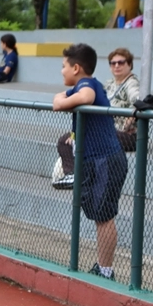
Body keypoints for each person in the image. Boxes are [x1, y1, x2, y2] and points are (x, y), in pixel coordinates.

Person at [51, 44, 128, 281]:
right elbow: (60, 100)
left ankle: (106, 271)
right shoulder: (81, 85)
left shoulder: (87, 84)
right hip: (95, 160)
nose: (62, 71)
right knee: (99, 215)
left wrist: (62, 99)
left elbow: (84, 97)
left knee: (104, 216)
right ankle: (102, 267)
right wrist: (62, 98)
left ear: (76, 68)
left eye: (64, 66)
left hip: (106, 159)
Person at [54, 47, 140, 187]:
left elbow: (138, 99)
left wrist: (131, 118)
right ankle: (72, 174)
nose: (116, 66)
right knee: (65, 140)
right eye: (113, 63)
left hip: (127, 135)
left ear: (129, 64)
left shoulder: (131, 83)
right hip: (111, 129)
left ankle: (79, 174)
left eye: (121, 62)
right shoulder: (108, 84)